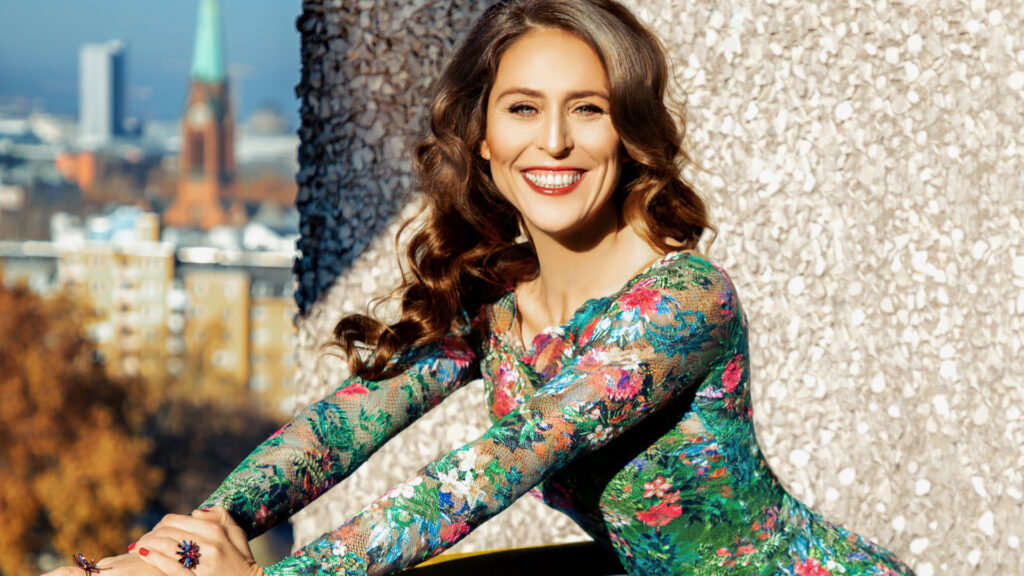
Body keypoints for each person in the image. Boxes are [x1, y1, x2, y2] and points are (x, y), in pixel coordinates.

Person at [46, 1, 916, 575]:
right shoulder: (495, 297)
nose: (557, 142)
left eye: (590, 108)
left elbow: (482, 476)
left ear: (629, 134)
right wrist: (185, 545)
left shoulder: (684, 301)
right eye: (524, 108)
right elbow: (338, 429)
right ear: (485, 140)